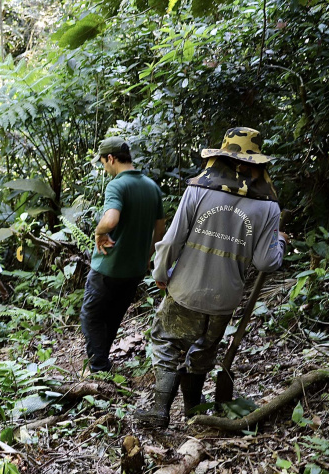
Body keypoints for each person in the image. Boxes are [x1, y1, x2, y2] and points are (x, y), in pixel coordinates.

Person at [135, 127, 288, 428]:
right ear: (257, 164)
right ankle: (194, 411)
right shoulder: (268, 206)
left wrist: (160, 272)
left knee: (167, 343)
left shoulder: (198, 190)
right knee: (204, 350)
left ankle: (159, 412)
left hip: (185, 289)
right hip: (225, 298)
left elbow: (172, 240)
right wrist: (280, 240)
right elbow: (266, 261)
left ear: (222, 157)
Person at [80, 136, 165, 374]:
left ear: (110, 158)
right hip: (134, 269)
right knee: (113, 316)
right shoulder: (151, 186)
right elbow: (160, 230)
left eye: (103, 163)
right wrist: (147, 256)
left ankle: (98, 367)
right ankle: (101, 363)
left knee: (91, 315)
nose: (104, 169)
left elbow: (111, 220)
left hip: (109, 266)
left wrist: (99, 232)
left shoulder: (117, 185)